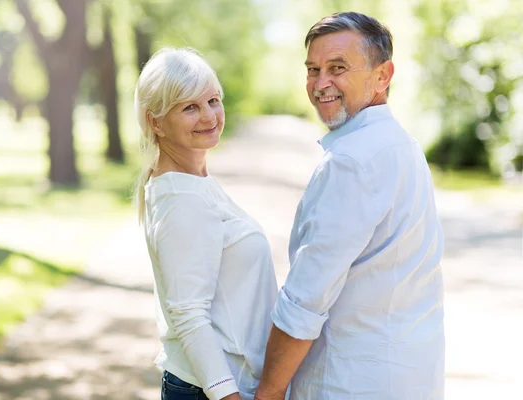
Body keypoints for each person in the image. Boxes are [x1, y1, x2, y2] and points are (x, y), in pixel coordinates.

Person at [255, 12, 445, 400]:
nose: (321, 83)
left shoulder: (352, 160)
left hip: (348, 383)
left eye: (337, 68)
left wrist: (269, 391)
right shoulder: (401, 145)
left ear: (382, 75)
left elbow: (305, 300)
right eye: (313, 69)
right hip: (409, 378)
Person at [134, 47, 278, 400]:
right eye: (189, 107)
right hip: (212, 389)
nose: (209, 116)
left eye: (213, 100)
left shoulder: (193, 182)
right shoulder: (182, 199)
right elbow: (188, 314)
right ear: (156, 122)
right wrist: (227, 396)